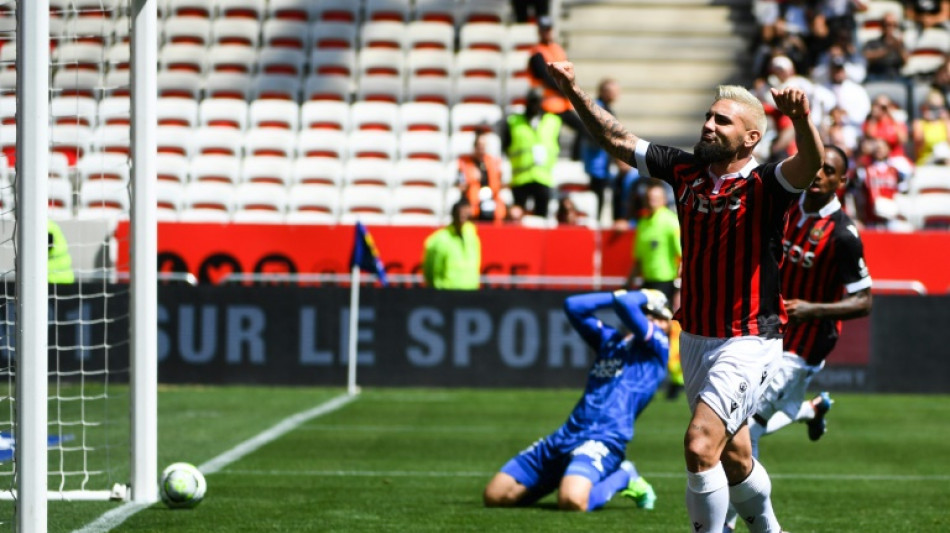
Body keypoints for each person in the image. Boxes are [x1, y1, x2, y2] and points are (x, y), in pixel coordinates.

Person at [548, 59, 823, 532]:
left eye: (722, 120)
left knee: (699, 445)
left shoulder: (765, 185)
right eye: (708, 116)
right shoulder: (685, 170)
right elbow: (616, 139)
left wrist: (799, 119)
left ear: (751, 138)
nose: (709, 125)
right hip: (696, 337)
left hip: (749, 338)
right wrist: (573, 89)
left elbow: (810, 163)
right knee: (734, 458)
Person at [724, 145, 873, 531]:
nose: (819, 174)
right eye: (817, 167)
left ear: (842, 181)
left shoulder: (844, 234)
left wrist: (811, 308)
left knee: (743, 431)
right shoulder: (791, 207)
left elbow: (864, 301)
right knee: (740, 425)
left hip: (805, 343)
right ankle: (809, 410)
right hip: (767, 329)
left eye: (829, 170)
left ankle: (727, 525)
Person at [483, 289, 672, 512]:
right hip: (567, 435)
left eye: (663, 318)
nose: (659, 322)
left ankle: (624, 474)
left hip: (604, 439)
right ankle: (564, 474)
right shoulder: (609, 341)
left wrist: (642, 295)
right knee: (495, 496)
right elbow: (573, 305)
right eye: (652, 315)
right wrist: (635, 295)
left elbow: (625, 303)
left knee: (572, 501)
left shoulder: (657, 347)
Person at [527, 16, 587, 158]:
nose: (547, 33)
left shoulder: (557, 49)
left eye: (548, 29)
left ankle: (576, 159)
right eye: (544, 30)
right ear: (539, 32)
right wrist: (566, 89)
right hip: (546, 104)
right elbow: (544, 77)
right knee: (551, 136)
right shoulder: (537, 53)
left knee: (583, 128)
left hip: (562, 103)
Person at [501, 88, 561, 217]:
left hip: (543, 177)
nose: (534, 105)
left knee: (541, 218)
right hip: (520, 178)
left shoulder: (553, 121)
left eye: (537, 101)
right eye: (532, 101)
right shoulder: (513, 122)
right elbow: (506, 147)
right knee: (518, 216)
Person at [625, 179, 681, 305]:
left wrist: (679, 286)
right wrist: (628, 283)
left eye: (655, 199)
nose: (651, 202)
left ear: (664, 200)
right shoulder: (643, 223)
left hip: (665, 282)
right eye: (649, 198)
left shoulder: (670, 222)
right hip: (647, 280)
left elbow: (683, 255)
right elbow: (638, 259)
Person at [581, 78, 621, 220]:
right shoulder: (597, 109)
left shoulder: (605, 109)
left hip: (602, 163)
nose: (616, 95)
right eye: (613, 91)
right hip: (596, 163)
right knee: (596, 198)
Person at [421, 201, 481, 290]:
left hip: (471, 291)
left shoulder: (472, 237)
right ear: (453, 215)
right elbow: (431, 271)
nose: (463, 217)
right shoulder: (439, 239)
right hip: (446, 294)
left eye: (466, 214)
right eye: (460, 214)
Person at [458, 128, 507, 223]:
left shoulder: (493, 162)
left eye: (484, 145)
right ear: (474, 146)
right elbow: (461, 185)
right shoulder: (465, 164)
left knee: (500, 211)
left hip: (491, 201)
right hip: (472, 202)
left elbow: (499, 184)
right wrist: (472, 179)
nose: (481, 148)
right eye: (479, 145)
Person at [861, 12, 908, 82]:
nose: (890, 28)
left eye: (894, 25)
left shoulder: (899, 44)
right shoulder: (873, 42)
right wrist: (887, 50)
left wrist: (899, 48)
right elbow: (866, 56)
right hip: (876, 75)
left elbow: (906, 61)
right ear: (882, 25)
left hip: (895, 76)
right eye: (887, 24)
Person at [912, 90, 950, 165]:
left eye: (938, 108)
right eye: (932, 107)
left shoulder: (946, 123)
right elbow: (918, 146)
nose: (935, 111)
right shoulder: (919, 123)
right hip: (926, 162)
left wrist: (946, 120)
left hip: (945, 162)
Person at [48, 219, 75, 285]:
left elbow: (49, 245)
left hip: (52, 280)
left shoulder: (43, 226)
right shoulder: (51, 224)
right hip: (67, 278)